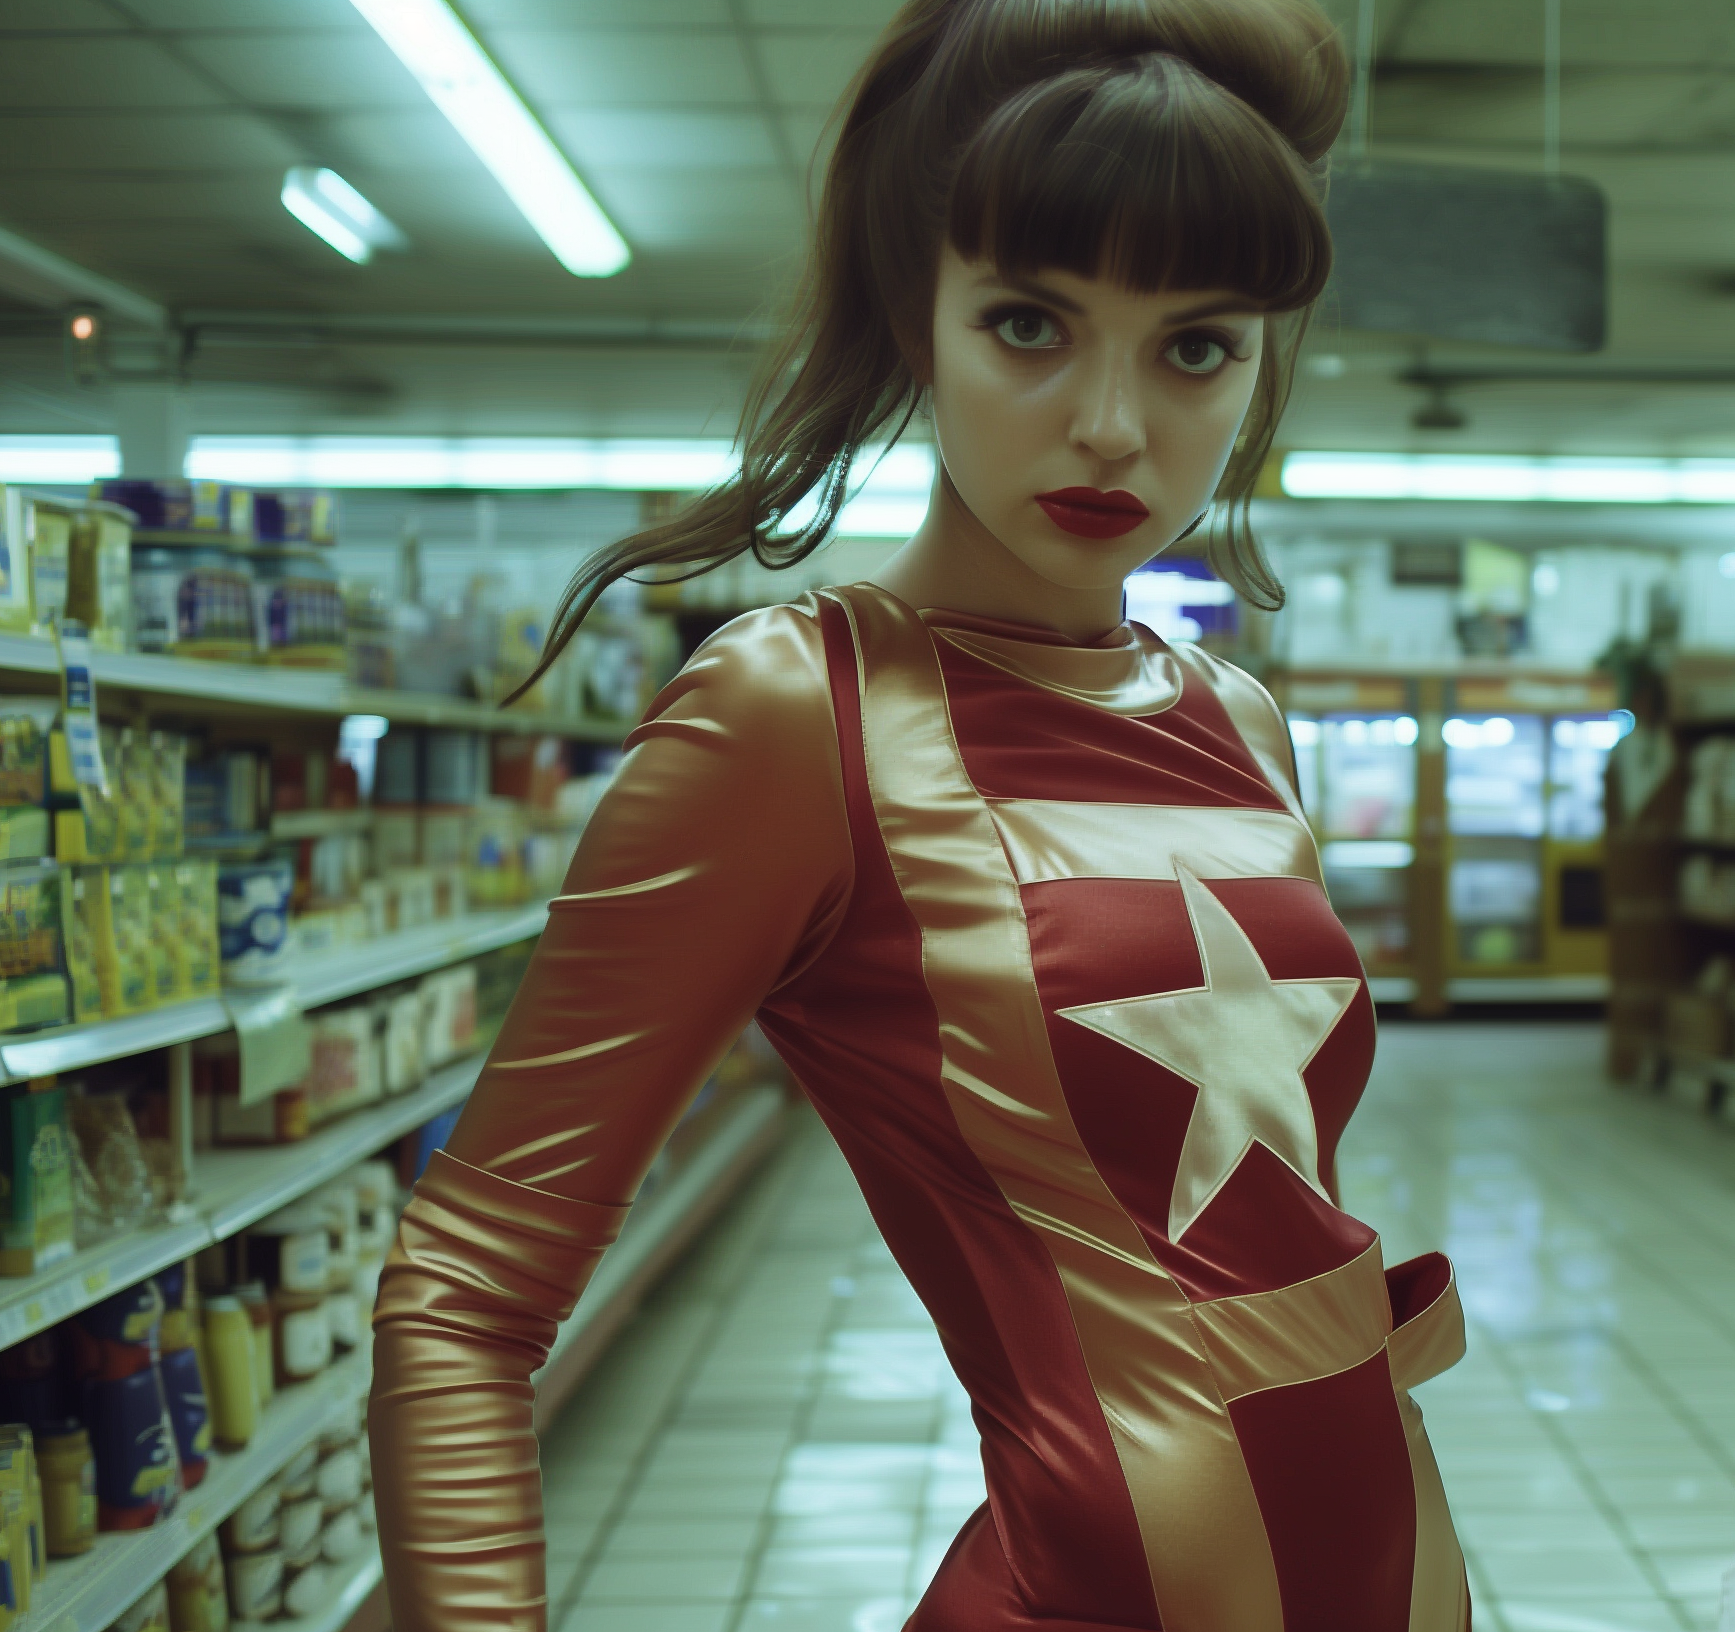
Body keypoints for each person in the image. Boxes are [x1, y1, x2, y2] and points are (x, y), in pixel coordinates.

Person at [367, 0, 1469, 1626]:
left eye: (1196, 345)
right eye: (1032, 323)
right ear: (916, 314)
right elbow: (463, 1296)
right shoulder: (796, 716)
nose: (1114, 423)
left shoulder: (1233, 717)